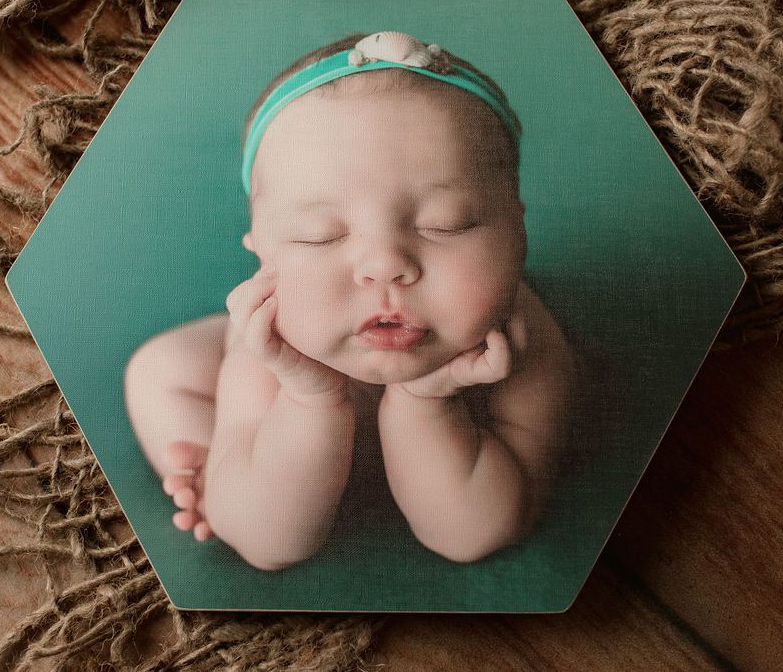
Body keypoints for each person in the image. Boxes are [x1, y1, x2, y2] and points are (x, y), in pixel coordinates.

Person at [124, 31, 572, 571]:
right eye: (319, 235)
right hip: (280, 394)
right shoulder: (268, 349)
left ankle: (235, 475)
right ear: (264, 256)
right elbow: (272, 548)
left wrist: (427, 400)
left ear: (517, 232)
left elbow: (476, 533)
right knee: (161, 369)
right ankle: (217, 461)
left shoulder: (521, 342)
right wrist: (308, 395)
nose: (384, 265)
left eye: (446, 223)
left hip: (456, 424)